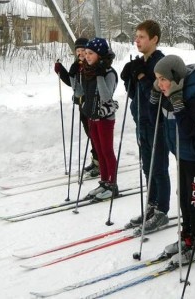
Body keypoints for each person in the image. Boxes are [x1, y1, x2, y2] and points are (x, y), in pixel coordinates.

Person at [150, 55, 195, 264]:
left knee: (194, 202)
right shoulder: (173, 90)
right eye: (157, 79)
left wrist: (178, 104)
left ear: (175, 78)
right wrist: (156, 94)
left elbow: (187, 130)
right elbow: (155, 117)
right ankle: (186, 238)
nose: (160, 83)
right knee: (184, 200)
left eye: (162, 79)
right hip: (183, 155)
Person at [120, 20, 171, 231]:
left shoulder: (162, 64)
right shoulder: (141, 61)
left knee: (158, 166)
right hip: (141, 121)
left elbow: (154, 95)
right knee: (146, 166)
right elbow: (136, 97)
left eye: (142, 36)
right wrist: (129, 80)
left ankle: (162, 211)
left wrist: (141, 77)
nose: (137, 40)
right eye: (136, 36)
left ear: (154, 39)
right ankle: (151, 205)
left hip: (157, 122)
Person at [54, 37, 100, 177]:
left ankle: (100, 163)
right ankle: (97, 161)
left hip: (91, 104)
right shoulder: (77, 64)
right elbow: (73, 84)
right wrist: (61, 71)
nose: (80, 53)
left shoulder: (90, 65)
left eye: (82, 50)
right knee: (90, 135)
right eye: (78, 51)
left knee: (95, 135)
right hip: (81, 104)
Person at [81, 37, 119, 200]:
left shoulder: (108, 73)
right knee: (99, 152)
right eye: (86, 53)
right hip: (92, 117)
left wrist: (99, 75)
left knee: (107, 151)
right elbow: (82, 92)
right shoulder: (89, 70)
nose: (87, 56)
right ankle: (104, 182)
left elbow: (105, 96)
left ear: (100, 55)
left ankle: (112, 184)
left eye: (90, 53)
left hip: (105, 118)